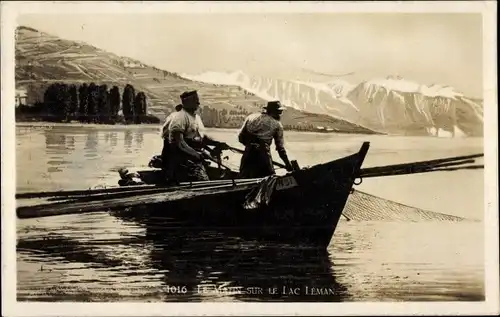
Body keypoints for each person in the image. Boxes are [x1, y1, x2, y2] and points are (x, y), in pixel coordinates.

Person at [167, 90, 229, 182]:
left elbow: (201, 138)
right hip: (182, 160)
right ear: (187, 102)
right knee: (204, 182)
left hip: (194, 158)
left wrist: (217, 143)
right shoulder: (179, 118)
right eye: (195, 100)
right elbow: (179, 143)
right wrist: (196, 154)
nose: (198, 103)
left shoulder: (196, 118)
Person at [238, 100, 294, 178]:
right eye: (280, 112)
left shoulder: (251, 117)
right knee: (269, 179)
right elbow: (280, 148)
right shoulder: (277, 125)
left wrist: (251, 146)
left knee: (244, 177)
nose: (280, 114)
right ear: (275, 112)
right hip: (263, 156)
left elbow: (240, 138)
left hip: (248, 154)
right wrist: (288, 164)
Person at [159, 104, 183, 176]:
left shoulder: (172, 115)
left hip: (167, 138)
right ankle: (172, 175)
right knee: (173, 157)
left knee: (166, 155)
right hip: (172, 139)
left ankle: (165, 172)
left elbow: (164, 128)